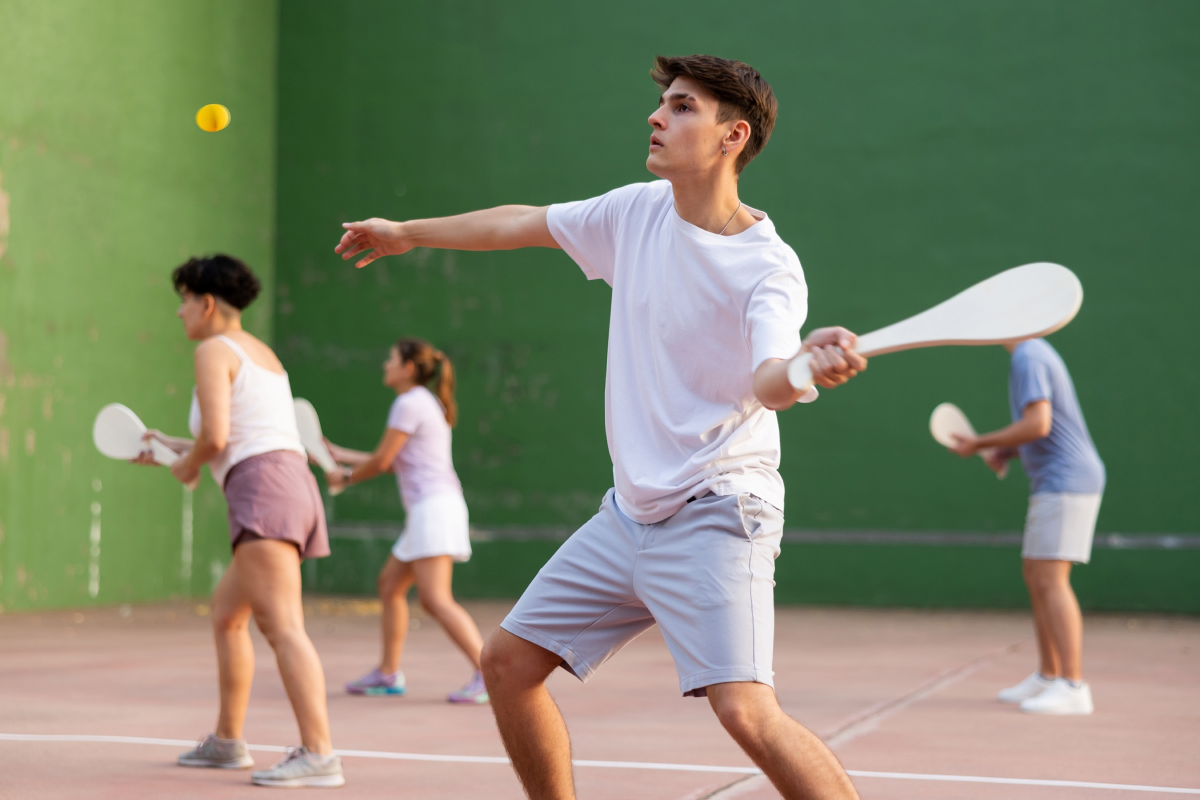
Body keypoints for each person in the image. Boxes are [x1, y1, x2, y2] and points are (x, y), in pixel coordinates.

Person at [333, 55, 867, 800]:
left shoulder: (767, 267)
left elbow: (770, 381)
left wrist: (808, 365)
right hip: (628, 514)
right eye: (662, 103)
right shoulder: (636, 212)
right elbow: (519, 222)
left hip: (718, 510)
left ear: (731, 135)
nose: (656, 116)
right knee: (507, 666)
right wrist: (408, 233)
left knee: (745, 711)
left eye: (682, 108)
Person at [139, 254, 345, 787]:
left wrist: (185, 466)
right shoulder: (261, 353)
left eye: (183, 301)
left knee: (283, 627)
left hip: (263, 489)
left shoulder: (212, 350)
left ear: (206, 303)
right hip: (285, 482)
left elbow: (216, 441)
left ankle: (320, 755)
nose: (180, 312)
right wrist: (168, 447)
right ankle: (228, 743)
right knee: (228, 615)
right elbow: (240, 434)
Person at [321, 337, 489, 704]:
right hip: (431, 509)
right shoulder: (422, 403)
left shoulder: (408, 403)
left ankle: (489, 674)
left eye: (390, 359)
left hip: (434, 509)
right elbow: (395, 457)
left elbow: (382, 462)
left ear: (408, 368)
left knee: (435, 599)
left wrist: (346, 477)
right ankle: (387, 674)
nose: (385, 364)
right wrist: (340, 455)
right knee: (390, 585)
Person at [949, 338, 1104, 715]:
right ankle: (1048, 676)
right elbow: (1048, 428)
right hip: (1054, 480)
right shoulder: (1034, 353)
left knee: (1051, 580)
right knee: (1036, 577)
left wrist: (979, 443)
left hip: (1067, 480)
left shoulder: (1028, 354)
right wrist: (1006, 450)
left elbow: (1038, 423)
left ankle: (1073, 685)